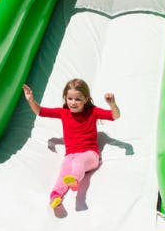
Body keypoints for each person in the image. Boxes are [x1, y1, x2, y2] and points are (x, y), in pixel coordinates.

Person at [22, 78, 120, 208]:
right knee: (63, 172)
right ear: (65, 98)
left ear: (86, 99)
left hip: (90, 155)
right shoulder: (63, 113)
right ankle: (55, 196)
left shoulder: (93, 112)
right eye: (70, 98)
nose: (73, 102)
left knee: (79, 162)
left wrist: (112, 104)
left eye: (78, 99)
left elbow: (115, 116)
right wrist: (30, 100)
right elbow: (41, 111)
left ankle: (75, 180)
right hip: (70, 155)